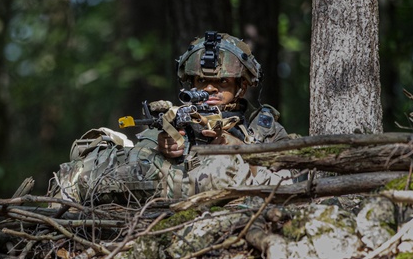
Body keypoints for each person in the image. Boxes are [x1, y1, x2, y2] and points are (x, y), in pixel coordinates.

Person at [51, 31, 291, 204]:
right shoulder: (179, 117)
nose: (209, 89)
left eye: (222, 82)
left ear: (242, 85)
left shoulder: (263, 129)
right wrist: (163, 144)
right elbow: (137, 165)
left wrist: (229, 145)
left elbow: (287, 180)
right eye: (201, 81)